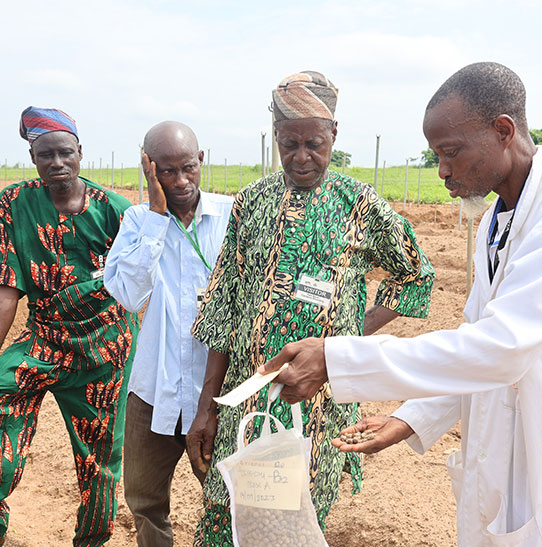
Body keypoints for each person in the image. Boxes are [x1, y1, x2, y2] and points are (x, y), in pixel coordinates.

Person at [261, 62, 542, 545]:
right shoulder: (495, 221)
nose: (443, 171)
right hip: (507, 457)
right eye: (436, 155)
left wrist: (336, 356)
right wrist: (410, 418)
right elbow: (474, 343)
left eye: (450, 153)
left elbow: (501, 349)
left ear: (503, 131)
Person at [185, 70, 436, 545]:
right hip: (246, 403)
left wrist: (345, 339)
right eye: (289, 143)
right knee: (228, 518)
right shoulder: (251, 203)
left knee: (293, 526)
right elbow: (222, 307)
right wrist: (206, 408)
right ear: (275, 138)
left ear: (334, 135)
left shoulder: (357, 203)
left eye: (314, 143)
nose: (302, 157)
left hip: (317, 408)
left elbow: (415, 274)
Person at [0, 107, 139, 547]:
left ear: (80, 153)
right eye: (45, 154)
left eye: (65, 153)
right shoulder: (16, 203)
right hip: (45, 336)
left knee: (100, 454)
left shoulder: (116, 210)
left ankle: (92, 539)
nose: (57, 162)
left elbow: (139, 279)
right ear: (33, 156)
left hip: (104, 348)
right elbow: (3, 281)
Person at [103, 121, 233, 546]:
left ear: (201, 160)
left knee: (228, 497)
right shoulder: (138, 221)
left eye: (187, 168)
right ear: (148, 168)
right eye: (166, 172)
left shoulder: (233, 216)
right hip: (153, 389)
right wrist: (158, 218)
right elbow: (127, 293)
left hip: (216, 390)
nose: (180, 182)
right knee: (144, 500)